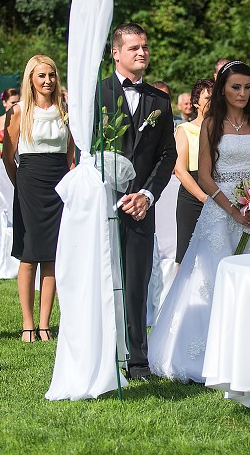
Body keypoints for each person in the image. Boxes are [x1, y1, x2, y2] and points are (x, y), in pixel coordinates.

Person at [148, 60, 250, 384]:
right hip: (222, 212)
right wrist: (234, 210)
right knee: (209, 281)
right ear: (223, 89)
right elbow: (206, 177)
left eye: (247, 87)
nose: (242, 93)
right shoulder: (211, 124)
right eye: (235, 87)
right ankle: (210, 354)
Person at [97, 23, 177, 380]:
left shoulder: (159, 100)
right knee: (102, 279)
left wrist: (146, 195)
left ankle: (138, 359)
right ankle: (103, 354)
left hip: (142, 206)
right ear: (116, 53)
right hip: (104, 204)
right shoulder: (96, 94)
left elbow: (167, 154)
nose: (142, 52)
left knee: (137, 282)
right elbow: (85, 151)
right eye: (134, 48)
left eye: (145, 46)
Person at [2, 55, 74, 342]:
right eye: (42, 75)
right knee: (29, 254)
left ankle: (45, 324)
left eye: (51, 75)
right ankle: (27, 324)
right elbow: (8, 157)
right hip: (29, 184)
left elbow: (70, 154)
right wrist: (21, 185)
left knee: (52, 255)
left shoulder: (65, 111)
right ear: (31, 79)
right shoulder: (18, 111)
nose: (47, 81)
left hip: (58, 184)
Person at [174, 78, 213, 264]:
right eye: (208, 98)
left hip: (220, 195)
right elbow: (180, 170)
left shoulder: (225, 130)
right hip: (192, 197)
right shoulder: (185, 129)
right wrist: (204, 198)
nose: (213, 102)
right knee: (187, 256)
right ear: (196, 102)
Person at [0, 87, 20, 157]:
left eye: (17, 102)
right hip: (0, 159)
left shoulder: (23, 121)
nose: (15, 105)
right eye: (13, 103)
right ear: (4, 103)